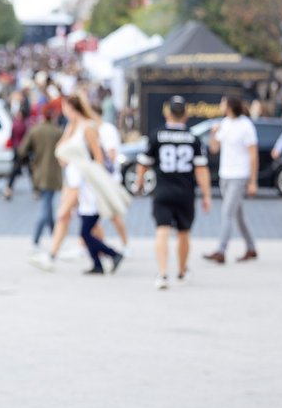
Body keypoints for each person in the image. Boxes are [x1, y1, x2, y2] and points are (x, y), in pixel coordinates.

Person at [136, 96, 212, 289]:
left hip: (162, 190)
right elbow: (201, 169)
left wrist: (139, 184)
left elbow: (143, 164)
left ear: (168, 113)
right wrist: (206, 195)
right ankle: (182, 270)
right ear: (185, 115)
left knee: (162, 230)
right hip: (185, 192)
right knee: (184, 232)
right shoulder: (193, 138)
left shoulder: (156, 135)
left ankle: (162, 273)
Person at [55, 95, 128, 275]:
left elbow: (99, 158)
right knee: (87, 227)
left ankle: (113, 254)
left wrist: (97, 182)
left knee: (85, 229)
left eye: (65, 107)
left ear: (72, 108)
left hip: (89, 185)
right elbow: (61, 154)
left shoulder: (88, 128)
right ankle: (98, 263)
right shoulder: (72, 128)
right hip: (78, 184)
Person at [204, 96, 258, 264]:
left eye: (222, 103)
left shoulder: (246, 125)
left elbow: (253, 155)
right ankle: (251, 247)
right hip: (225, 175)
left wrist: (252, 181)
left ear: (229, 106)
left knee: (227, 212)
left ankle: (221, 250)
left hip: (239, 176)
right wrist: (213, 133)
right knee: (238, 214)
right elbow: (214, 148)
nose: (220, 105)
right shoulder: (225, 123)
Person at [18, 106, 64, 249]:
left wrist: (33, 159)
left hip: (39, 173)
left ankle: (46, 237)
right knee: (47, 205)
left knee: (47, 205)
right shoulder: (58, 132)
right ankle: (46, 237)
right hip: (54, 174)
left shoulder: (35, 131)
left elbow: (22, 150)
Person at [97, 114, 129, 252]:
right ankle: (95, 245)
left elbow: (111, 155)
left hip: (108, 180)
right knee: (91, 217)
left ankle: (125, 245)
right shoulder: (97, 129)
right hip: (101, 180)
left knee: (114, 215)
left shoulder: (106, 130)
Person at [3, 98, 31, 200]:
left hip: (18, 148)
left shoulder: (17, 124)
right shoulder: (22, 124)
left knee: (18, 170)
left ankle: (8, 188)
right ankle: (36, 189)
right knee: (27, 170)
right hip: (21, 148)